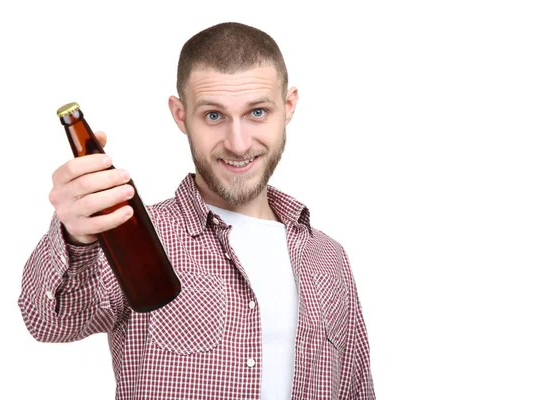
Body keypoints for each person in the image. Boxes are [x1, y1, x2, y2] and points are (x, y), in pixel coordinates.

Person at [18, 21, 375, 400]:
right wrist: (76, 235)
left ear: (287, 107)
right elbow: (50, 321)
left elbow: (356, 389)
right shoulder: (132, 231)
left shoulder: (329, 257)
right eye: (214, 116)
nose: (238, 144)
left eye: (257, 112)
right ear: (180, 114)